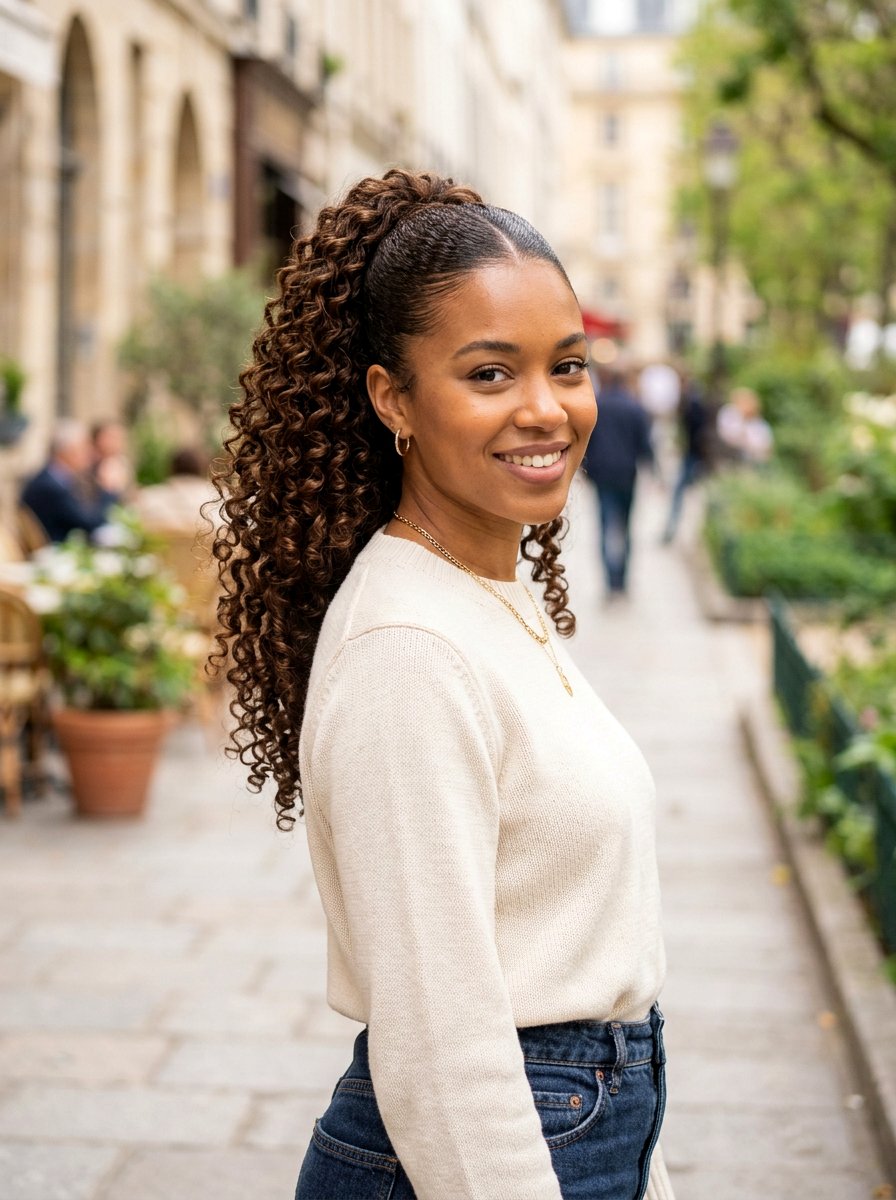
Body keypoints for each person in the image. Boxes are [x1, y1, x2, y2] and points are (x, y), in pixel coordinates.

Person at [213, 169, 673, 1200]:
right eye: (488, 374)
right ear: (392, 399)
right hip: (489, 1148)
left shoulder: (486, 593)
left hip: (576, 1123)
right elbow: (437, 1048)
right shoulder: (407, 648)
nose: (545, 409)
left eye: (567, 365)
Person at [582, 365, 655, 597]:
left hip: (602, 474)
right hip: (626, 474)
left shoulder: (598, 405)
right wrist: (652, 471)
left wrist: (584, 469)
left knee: (605, 527)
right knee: (625, 528)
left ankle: (610, 581)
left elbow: (586, 442)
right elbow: (645, 444)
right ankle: (621, 579)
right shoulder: (634, 407)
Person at [20, 419, 116, 543]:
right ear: (67, 451)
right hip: (54, 552)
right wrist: (108, 490)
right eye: (84, 448)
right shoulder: (49, 485)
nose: (89, 454)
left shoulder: (57, 477)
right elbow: (88, 524)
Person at [661, 376, 710, 544]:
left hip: (693, 456)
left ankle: (675, 530)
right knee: (681, 493)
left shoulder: (693, 403)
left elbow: (698, 431)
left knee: (681, 493)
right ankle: (675, 530)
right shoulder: (693, 401)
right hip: (693, 455)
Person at [132, 447, 218, 531]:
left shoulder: (148, 497)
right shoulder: (217, 499)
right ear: (202, 469)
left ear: (172, 468)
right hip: (206, 544)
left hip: (162, 544)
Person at [716, 386, 773, 465]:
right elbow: (729, 437)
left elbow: (767, 447)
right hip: (734, 457)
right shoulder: (730, 413)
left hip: (757, 461)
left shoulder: (759, 423)